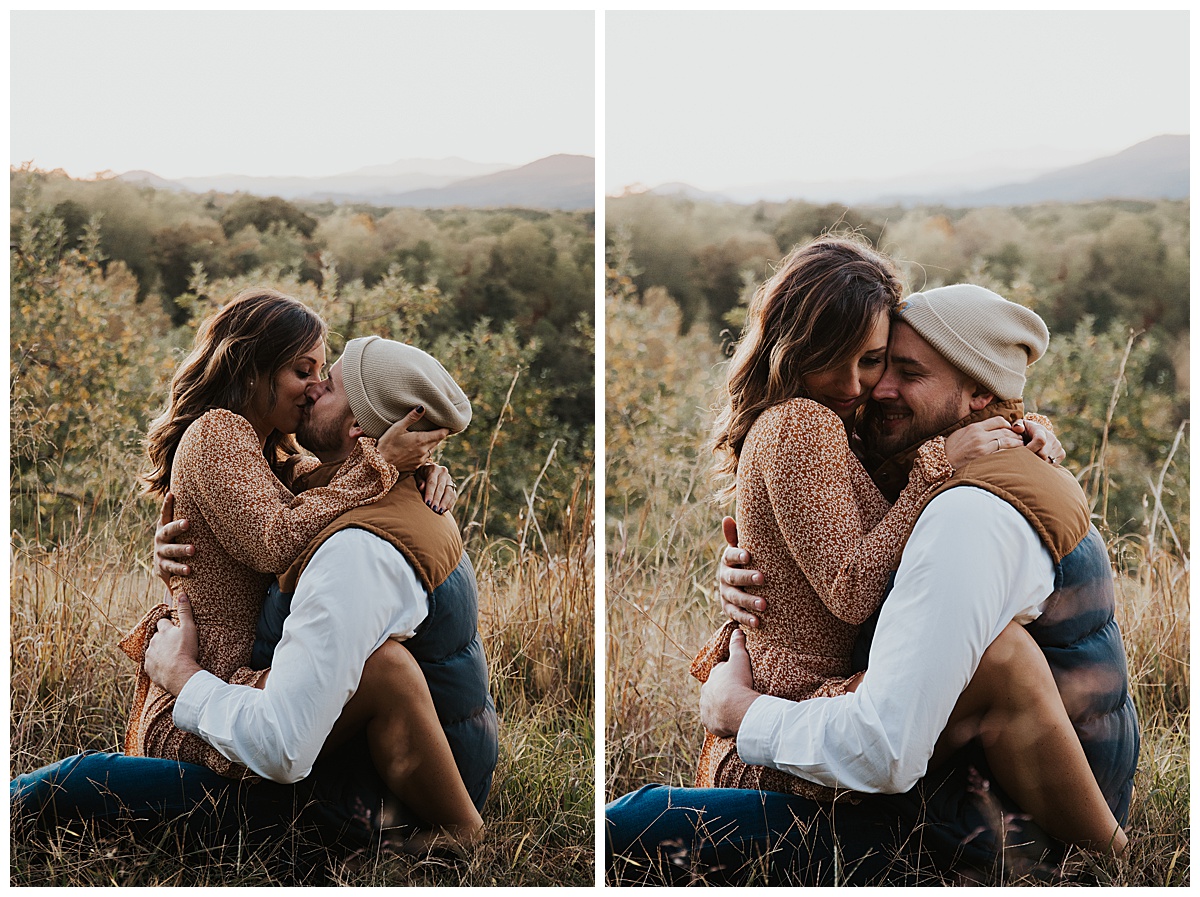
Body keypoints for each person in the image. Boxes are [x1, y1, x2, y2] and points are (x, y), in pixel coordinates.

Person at [607, 283, 1139, 884]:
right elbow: (839, 526)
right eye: (876, 361)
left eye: (904, 371)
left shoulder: (965, 514)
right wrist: (762, 571)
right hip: (1053, 787)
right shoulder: (997, 461)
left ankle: (1107, 856)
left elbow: (883, 748)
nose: (870, 388)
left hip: (972, 827)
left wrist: (741, 711)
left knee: (632, 825)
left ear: (981, 394)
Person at [688, 238, 1047, 803]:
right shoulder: (801, 425)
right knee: (985, 679)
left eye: (872, 359)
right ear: (792, 348)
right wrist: (937, 469)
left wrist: (1024, 427)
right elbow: (851, 589)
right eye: (834, 358)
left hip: (813, 710)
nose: (857, 385)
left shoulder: (838, 421)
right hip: (795, 724)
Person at [145, 335, 498, 848]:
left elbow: (280, 746)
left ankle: (456, 833)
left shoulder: (356, 550)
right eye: (305, 373)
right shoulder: (372, 490)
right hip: (430, 768)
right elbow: (269, 505)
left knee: (68, 785)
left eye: (325, 382)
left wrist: (181, 676)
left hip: (366, 788)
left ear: (358, 426)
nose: (313, 389)